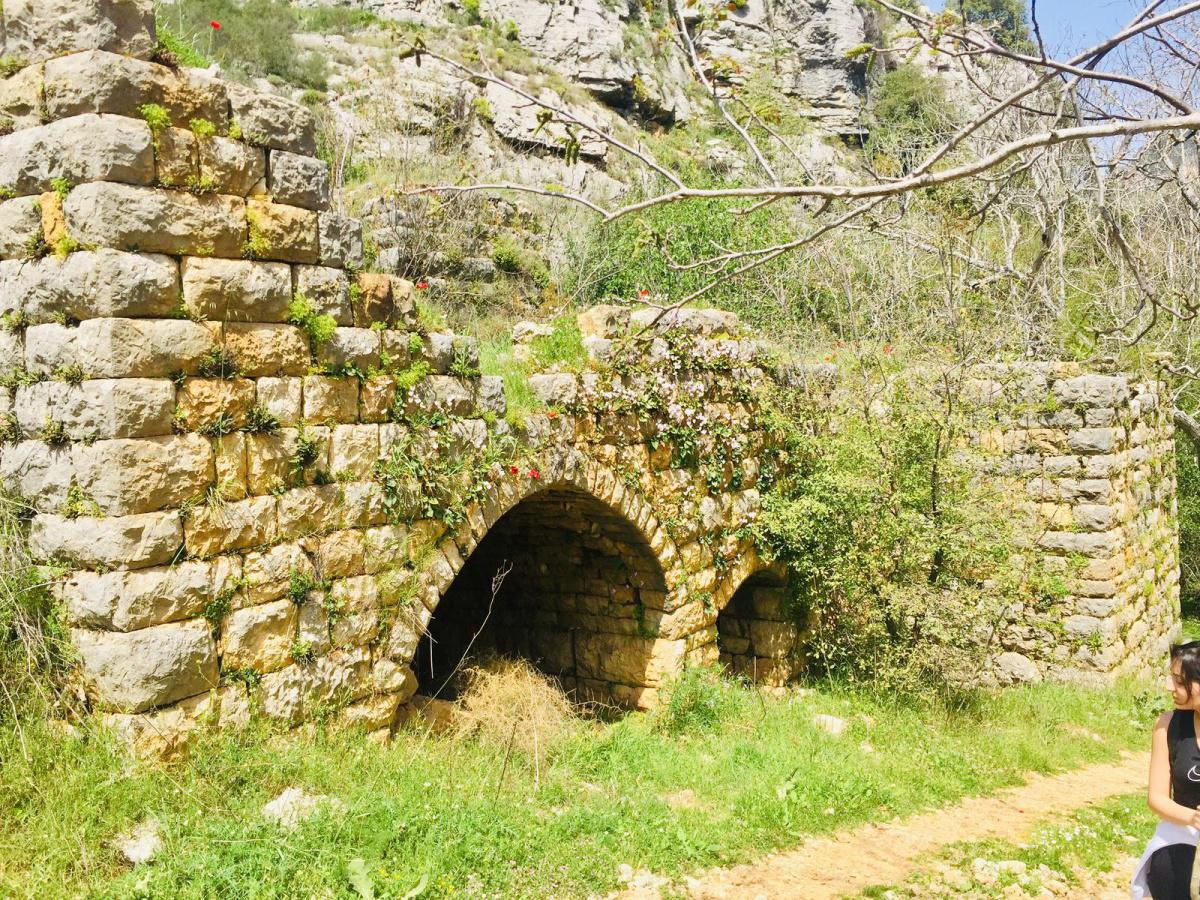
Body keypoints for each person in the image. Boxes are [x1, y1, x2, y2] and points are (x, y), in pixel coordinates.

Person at [1133, 641, 1200, 899]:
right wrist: (1193, 818)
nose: (1170, 687)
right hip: (1181, 833)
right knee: (1166, 871)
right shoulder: (1167, 725)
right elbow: (1156, 798)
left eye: (1180, 681)